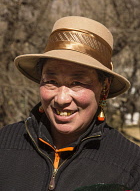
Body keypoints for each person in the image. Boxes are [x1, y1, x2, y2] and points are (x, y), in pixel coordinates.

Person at [0, 16, 139, 191]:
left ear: (104, 87)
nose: (61, 99)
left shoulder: (130, 165)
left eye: (77, 83)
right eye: (51, 81)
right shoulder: (4, 143)